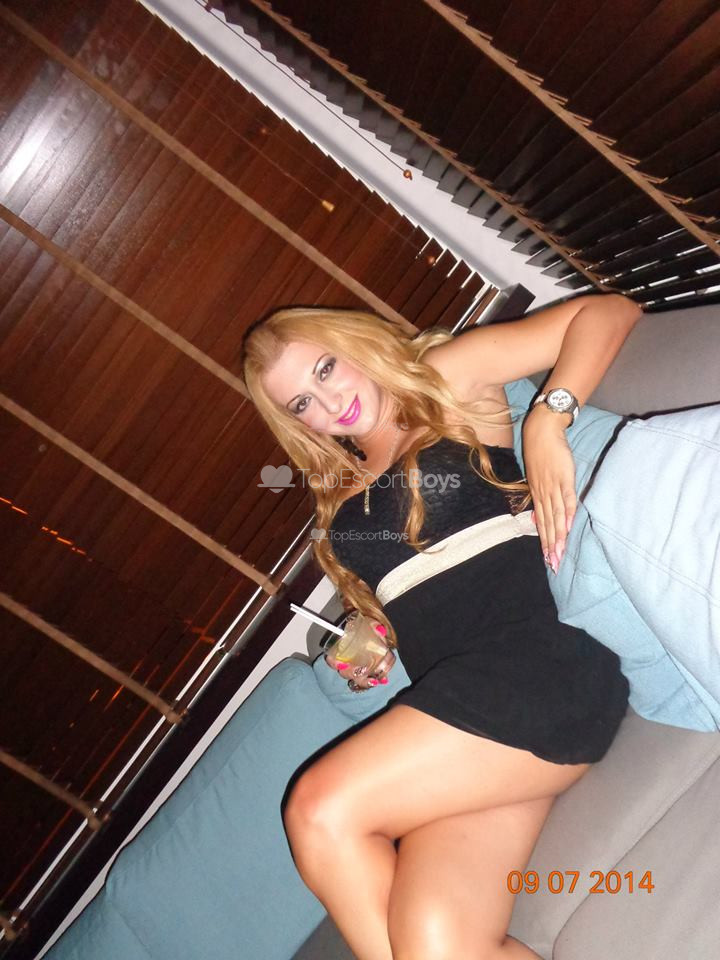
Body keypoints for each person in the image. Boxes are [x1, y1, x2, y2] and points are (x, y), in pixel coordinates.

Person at [239, 292, 643, 960]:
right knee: (437, 944)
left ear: (355, 341)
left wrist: (548, 418)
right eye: (302, 403)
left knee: (318, 811)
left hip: (538, 669)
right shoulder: (342, 486)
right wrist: (373, 633)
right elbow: (430, 587)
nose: (328, 401)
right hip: (471, 710)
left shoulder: (446, 380)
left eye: (326, 368)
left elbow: (609, 313)